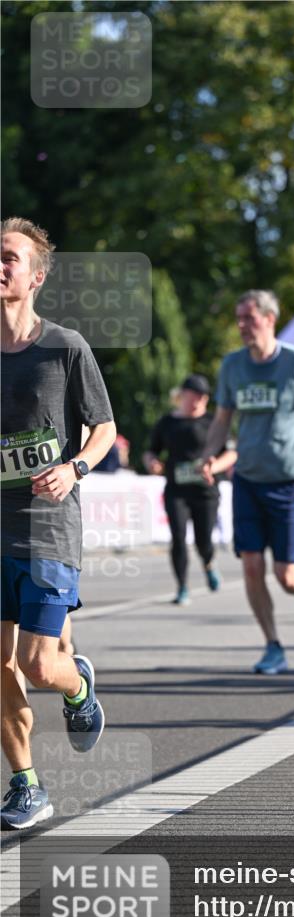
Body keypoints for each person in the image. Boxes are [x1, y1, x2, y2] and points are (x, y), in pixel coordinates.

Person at [1, 217, 116, 829]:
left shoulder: (65, 347)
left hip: (47, 528)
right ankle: (26, 783)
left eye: (9, 258)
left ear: (36, 276)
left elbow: (104, 428)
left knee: (39, 664)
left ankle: (77, 687)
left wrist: (75, 468)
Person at [202, 290, 294, 675]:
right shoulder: (233, 365)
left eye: (250, 317)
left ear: (270, 319)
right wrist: (209, 453)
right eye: (239, 318)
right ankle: (273, 645)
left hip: (289, 482)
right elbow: (223, 418)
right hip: (247, 479)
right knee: (252, 566)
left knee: (287, 573)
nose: (242, 325)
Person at [144, 374, 236, 605]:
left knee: (203, 541)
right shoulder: (167, 422)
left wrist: (214, 466)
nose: (197, 401)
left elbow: (231, 453)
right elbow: (150, 451)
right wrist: (152, 462)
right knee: (178, 537)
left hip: (206, 491)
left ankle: (208, 563)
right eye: (193, 396)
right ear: (182, 396)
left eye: (202, 397)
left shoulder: (213, 422)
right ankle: (182, 586)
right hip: (177, 490)